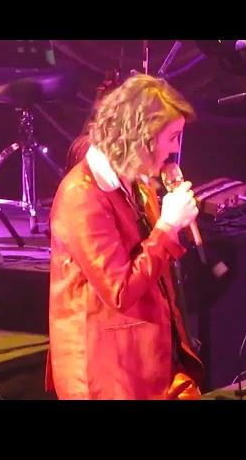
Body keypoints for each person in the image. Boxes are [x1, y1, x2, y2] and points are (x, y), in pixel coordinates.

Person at [45, 73, 204, 399]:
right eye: (172, 137)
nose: (174, 151)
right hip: (107, 372)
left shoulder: (135, 182)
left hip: (143, 359)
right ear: (143, 137)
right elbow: (119, 289)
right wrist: (168, 227)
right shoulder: (82, 195)